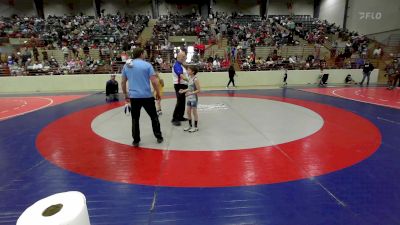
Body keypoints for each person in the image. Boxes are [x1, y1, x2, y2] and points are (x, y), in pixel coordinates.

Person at [121, 48, 163, 147]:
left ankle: (136, 140)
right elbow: (154, 81)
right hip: (147, 96)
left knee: (135, 119)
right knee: (154, 117)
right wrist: (157, 92)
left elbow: (123, 82)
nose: (145, 54)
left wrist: (125, 94)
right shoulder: (147, 65)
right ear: (141, 54)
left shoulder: (127, 66)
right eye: (144, 53)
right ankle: (158, 137)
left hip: (134, 97)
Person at [179, 65, 201, 132]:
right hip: (189, 98)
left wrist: (190, 93)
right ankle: (190, 126)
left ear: (193, 72)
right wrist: (183, 91)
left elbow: (199, 90)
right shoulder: (189, 78)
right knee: (188, 112)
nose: (187, 71)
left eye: (188, 70)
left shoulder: (195, 79)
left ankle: (196, 127)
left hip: (194, 98)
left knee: (194, 112)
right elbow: (189, 88)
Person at [171, 51, 189, 126]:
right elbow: (181, 76)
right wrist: (190, 80)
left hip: (183, 85)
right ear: (179, 57)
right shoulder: (177, 65)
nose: (184, 57)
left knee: (182, 102)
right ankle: (174, 118)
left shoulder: (181, 65)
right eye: (183, 56)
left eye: (184, 56)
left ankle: (180, 116)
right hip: (179, 86)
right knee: (179, 102)